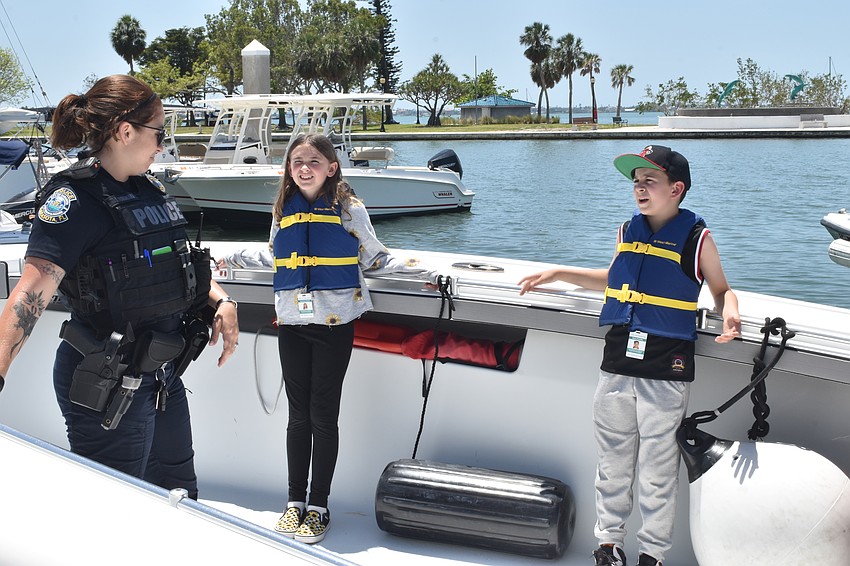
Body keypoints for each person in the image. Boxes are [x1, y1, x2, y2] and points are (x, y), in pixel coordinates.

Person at [0, 75, 239, 500]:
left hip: (163, 373)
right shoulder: (74, 201)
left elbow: (175, 261)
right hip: (107, 382)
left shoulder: (149, 190)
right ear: (125, 131)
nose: (162, 144)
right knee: (120, 510)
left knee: (182, 496)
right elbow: (31, 294)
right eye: (158, 132)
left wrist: (221, 300)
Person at [518, 145, 741, 566]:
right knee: (612, 463)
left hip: (666, 365)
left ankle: (652, 555)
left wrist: (731, 314)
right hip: (618, 361)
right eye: (636, 182)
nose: (639, 188)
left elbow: (721, 288)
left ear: (676, 189)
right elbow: (616, 279)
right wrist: (558, 272)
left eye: (649, 181)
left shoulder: (697, 239)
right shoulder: (626, 231)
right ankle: (608, 547)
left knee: (658, 470)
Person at [216, 133, 436, 544]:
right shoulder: (284, 207)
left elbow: (376, 257)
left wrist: (421, 271)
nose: (304, 167)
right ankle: (293, 503)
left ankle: (319, 506)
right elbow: (275, 254)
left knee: (323, 416)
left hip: (334, 327)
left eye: (313, 160)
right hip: (293, 325)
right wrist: (232, 258)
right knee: (297, 418)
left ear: (332, 167)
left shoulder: (349, 208)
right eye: (296, 160)